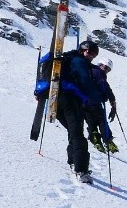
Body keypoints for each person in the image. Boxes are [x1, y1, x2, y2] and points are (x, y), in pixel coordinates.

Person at [39, 39, 105, 182]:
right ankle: (81, 171)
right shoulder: (79, 62)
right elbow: (85, 83)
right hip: (69, 99)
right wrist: (99, 97)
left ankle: (74, 162)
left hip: (56, 99)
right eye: (90, 52)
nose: (91, 56)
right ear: (83, 50)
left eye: (94, 54)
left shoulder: (69, 58)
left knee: (73, 131)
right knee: (78, 135)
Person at [87, 62, 119, 154]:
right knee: (102, 121)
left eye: (108, 69)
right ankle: (108, 141)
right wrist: (113, 103)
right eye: (105, 67)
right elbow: (107, 89)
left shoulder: (90, 71)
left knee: (91, 122)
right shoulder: (99, 74)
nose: (106, 70)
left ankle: (96, 140)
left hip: (84, 102)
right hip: (95, 102)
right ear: (100, 65)